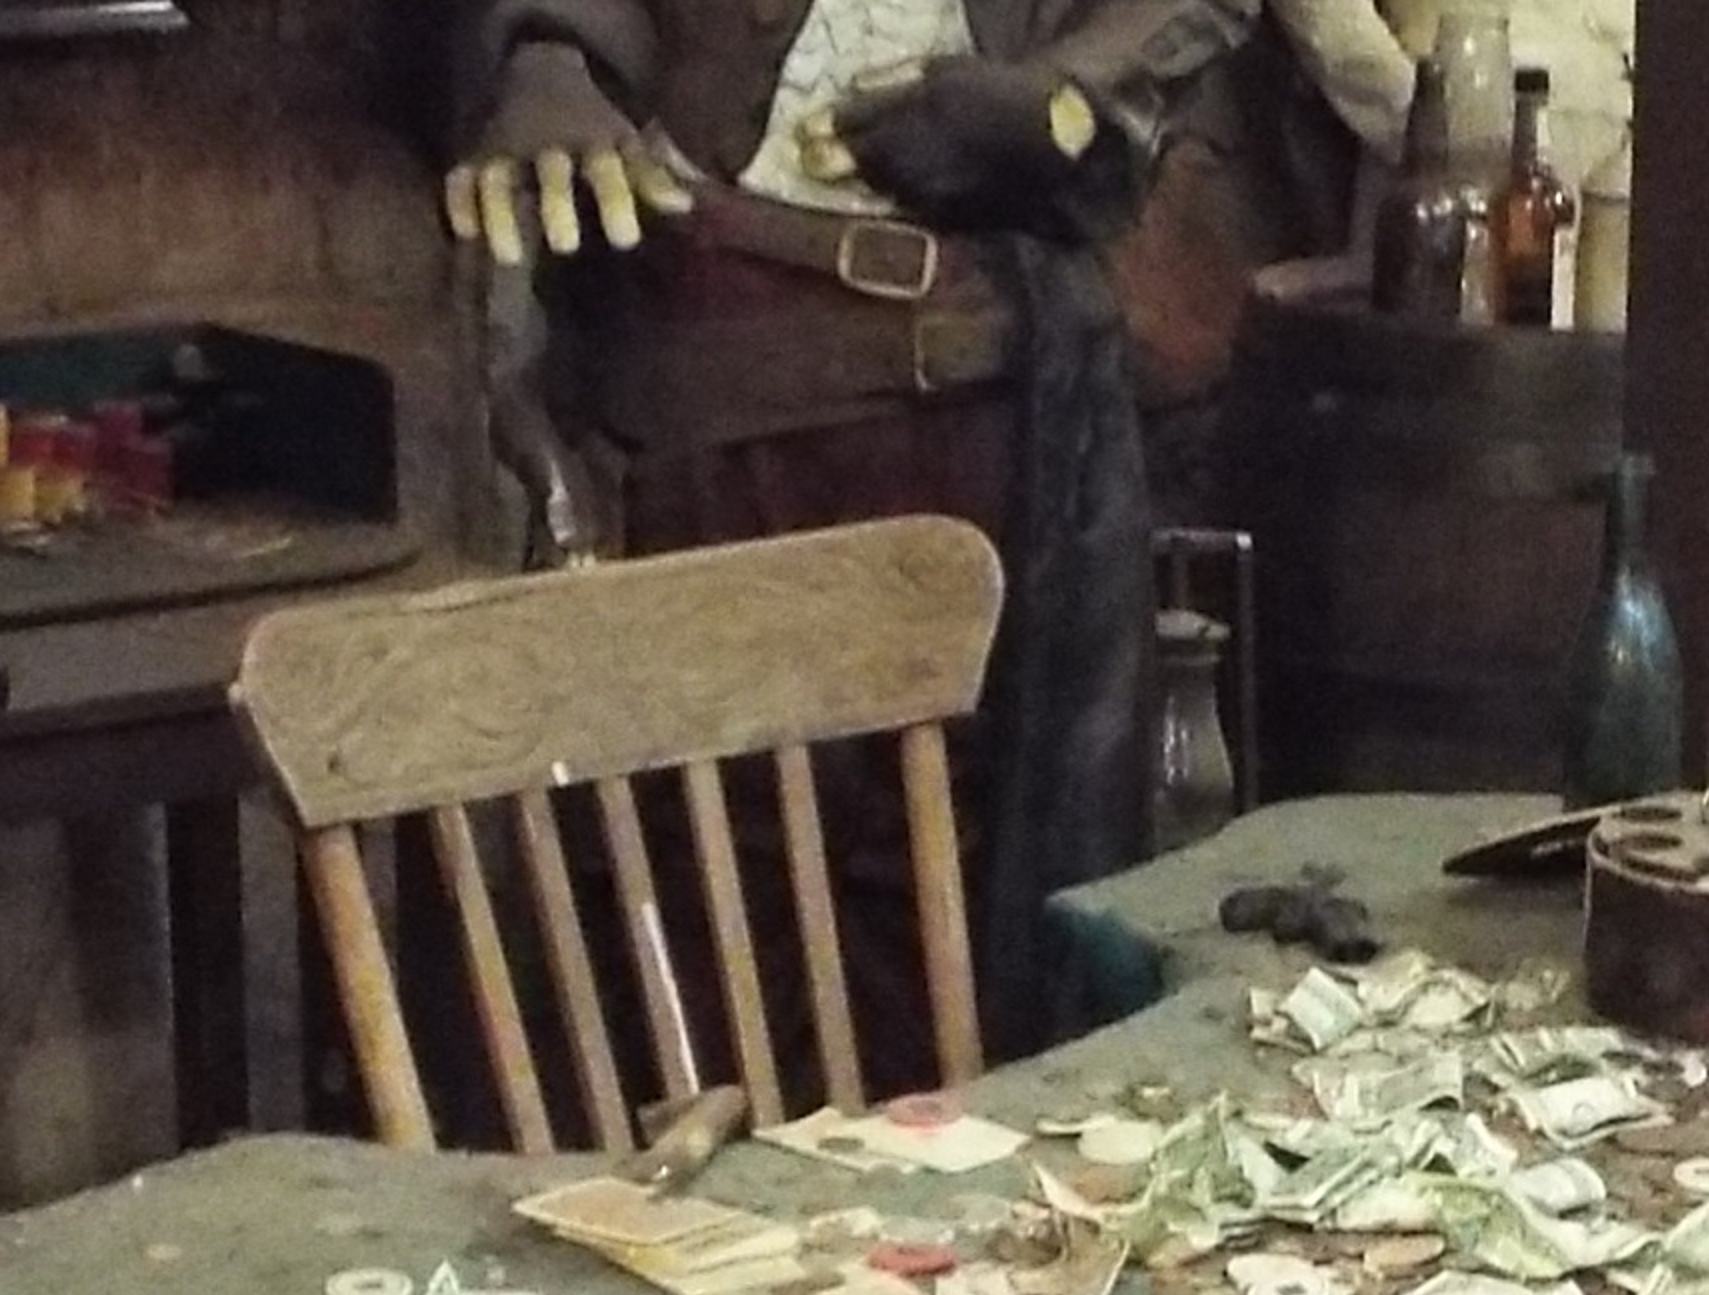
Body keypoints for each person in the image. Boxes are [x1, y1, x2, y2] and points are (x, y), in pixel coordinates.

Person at [441, 0, 1404, 1050]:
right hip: (719, 383)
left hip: (1008, 397)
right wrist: (547, 52)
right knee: (715, 899)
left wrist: (1064, 90)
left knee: (975, 905)